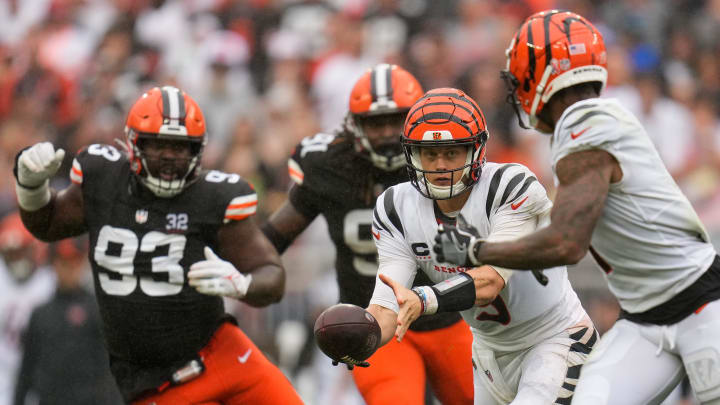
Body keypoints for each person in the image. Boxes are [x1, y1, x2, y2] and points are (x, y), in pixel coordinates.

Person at [432, 10, 720, 405]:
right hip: (643, 319)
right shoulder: (589, 123)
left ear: (540, 75)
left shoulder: (584, 123)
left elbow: (567, 241)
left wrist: (475, 250)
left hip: (703, 305)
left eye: (519, 79)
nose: (517, 91)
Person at [12, 85, 304, 405]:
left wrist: (242, 284)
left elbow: (271, 275)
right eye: (159, 145)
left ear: (198, 150)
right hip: (156, 383)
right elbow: (48, 224)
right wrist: (31, 188)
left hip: (223, 355)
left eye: (180, 147)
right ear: (133, 143)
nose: (169, 157)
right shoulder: (104, 180)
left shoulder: (212, 198)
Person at [361, 87, 597, 405]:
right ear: (413, 154)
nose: (441, 165)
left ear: (476, 149)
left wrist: (423, 298)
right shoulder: (395, 206)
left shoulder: (511, 186)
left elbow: (490, 281)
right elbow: (388, 306)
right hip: (487, 354)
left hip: (553, 337)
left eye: (452, 152)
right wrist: (361, 336)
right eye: (430, 154)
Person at [262, 64, 475, 404]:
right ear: (355, 124)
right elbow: (272, 238)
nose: (389, 132)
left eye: (397, 119)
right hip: (374, 321)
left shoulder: (443, 158)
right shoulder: (330, 166)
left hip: (445, 319)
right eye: (377, 123)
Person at [14, 238, 124, 405]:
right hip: (52, 399)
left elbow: (110, 367)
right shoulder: (41, 314)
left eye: (74, 262)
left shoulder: (97, 309)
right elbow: (27, 367)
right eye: (64, 263)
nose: (70, 269)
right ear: (54, 265)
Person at [0, 212, 55, 405]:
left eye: (21, 251)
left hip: (42, 375)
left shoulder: (51, 283)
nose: (17, 260)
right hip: (4, 375)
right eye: (11, 253)